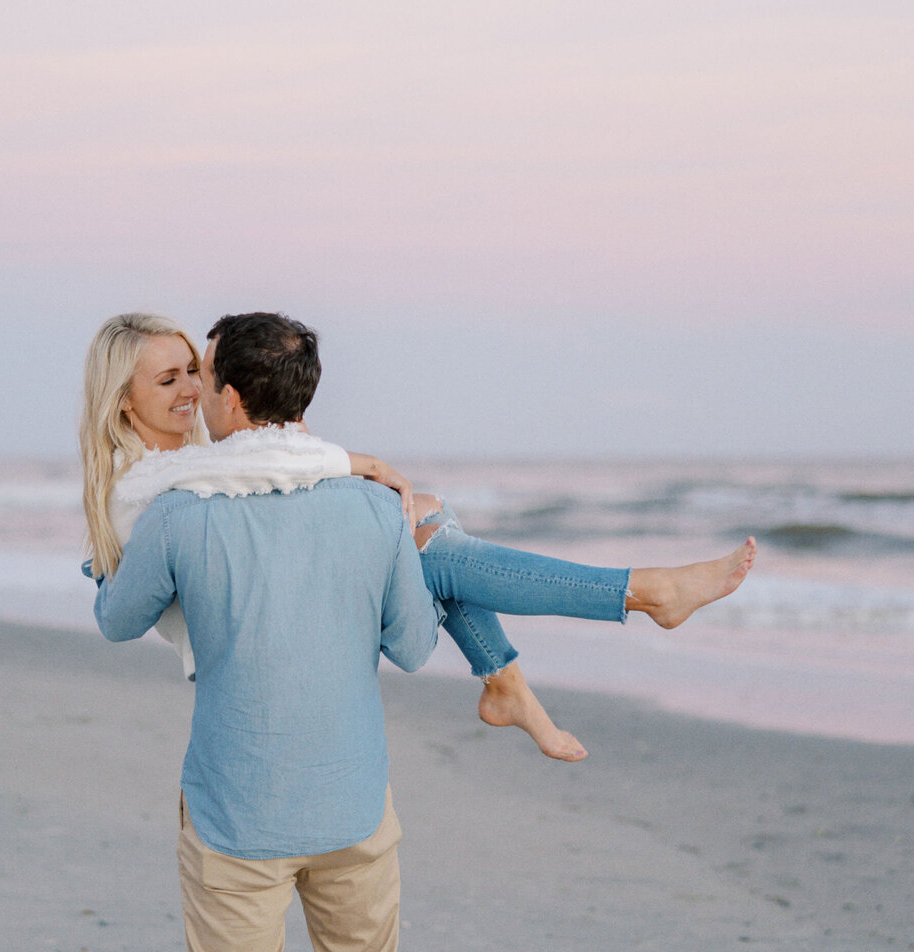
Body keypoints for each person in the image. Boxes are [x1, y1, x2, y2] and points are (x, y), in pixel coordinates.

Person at [91, 311, 443, 952]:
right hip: (352, 803)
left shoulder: (179, 517)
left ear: (233, 399)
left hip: (237, 811)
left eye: (203, 379)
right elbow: (413, 649)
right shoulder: (370, 508)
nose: (194, 395)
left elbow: (117, 621)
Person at [80, 313, 756, 764]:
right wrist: (361, 466)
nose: (194, 389)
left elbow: (262, 464)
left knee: (428, 521)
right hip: (258, 632)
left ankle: (511, 677)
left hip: (290, 603)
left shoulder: (198, 461)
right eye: (169, 379)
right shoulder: (144, 485)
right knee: (427, 529)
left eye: (194, 371)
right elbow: (266, 462)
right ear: (122, 400)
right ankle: (633, 596)